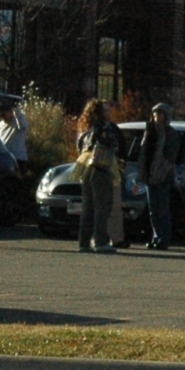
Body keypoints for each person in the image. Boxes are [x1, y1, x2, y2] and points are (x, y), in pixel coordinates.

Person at [74, 98, 120, 253]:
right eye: (105, 110)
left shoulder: (84, 128)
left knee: (87, 207)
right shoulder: (104, 127)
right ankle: (101, 241)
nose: (109, 112)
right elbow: (113, 144)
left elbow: (79, 147)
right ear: (99, 112)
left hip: (85, 167)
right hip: (101, 166)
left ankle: (84, 242)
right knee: (102, 206)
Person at [138, 103, 180, 250]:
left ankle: (164, 238)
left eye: (160, 114)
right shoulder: (149, 131)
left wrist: (160, 173)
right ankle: (156, 236)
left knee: (163, 209)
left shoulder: (171, 134)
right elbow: (143, 153)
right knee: (153, 210)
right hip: (149, 175)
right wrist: (143, 172)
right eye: (155, 114)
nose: (157, 117)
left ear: (166, 116)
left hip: (163, 177)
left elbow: (170, 158)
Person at [0, 101, 30, 169]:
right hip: (6, 158)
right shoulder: (0, 124)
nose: (2, 115)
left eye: (4, 112)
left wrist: (16, 109)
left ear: (11, 112)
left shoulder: (17, 121)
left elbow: (23, 126)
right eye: (1, 113)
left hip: (18, 158)